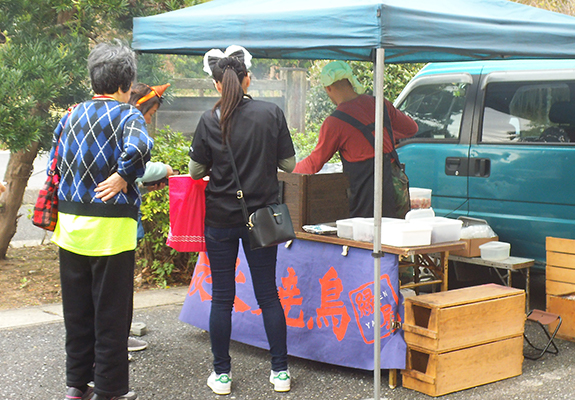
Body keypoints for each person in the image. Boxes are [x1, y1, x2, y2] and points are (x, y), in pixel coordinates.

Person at [188, 45, 296, 395]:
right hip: (262, 217)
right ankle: (280, 372)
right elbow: (290, 165)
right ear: (247, 79)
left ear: (218, 85)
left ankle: (221, 375)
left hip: (220, 217)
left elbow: (195, 170)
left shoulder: (209, 118)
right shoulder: (271, 113)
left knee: (222, 297)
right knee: (268, 295)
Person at [49, 40, 153, 400]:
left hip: (71, 228)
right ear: (126, 84)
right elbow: (141, 147)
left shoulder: (70, 114)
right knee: (111, 315)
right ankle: (110, 389)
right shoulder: (128, 115)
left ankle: (77, 386)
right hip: (111, 229)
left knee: (77, 313)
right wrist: (124, 175)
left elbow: (55, 162)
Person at [293, 61, 418, 218]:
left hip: (367, 196)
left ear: (328, 88)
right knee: (395, 237)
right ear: (349, 81)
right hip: (396, 190)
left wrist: (288, 171)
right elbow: (411, 128)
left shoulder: (334, 123)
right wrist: (386, 137)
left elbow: (314, 164)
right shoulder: (380, 104)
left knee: (366, 240)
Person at [126, 82, 175, 354]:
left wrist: (144, 186)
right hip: (117, 223)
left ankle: (119, 332)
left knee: (118, 285)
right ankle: (117, 338)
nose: (149, 118)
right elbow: (136, 167)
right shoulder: (127, 125)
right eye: (150, 112)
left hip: (116, 220)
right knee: (118, 285)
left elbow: (127, 177)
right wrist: (164, 169)